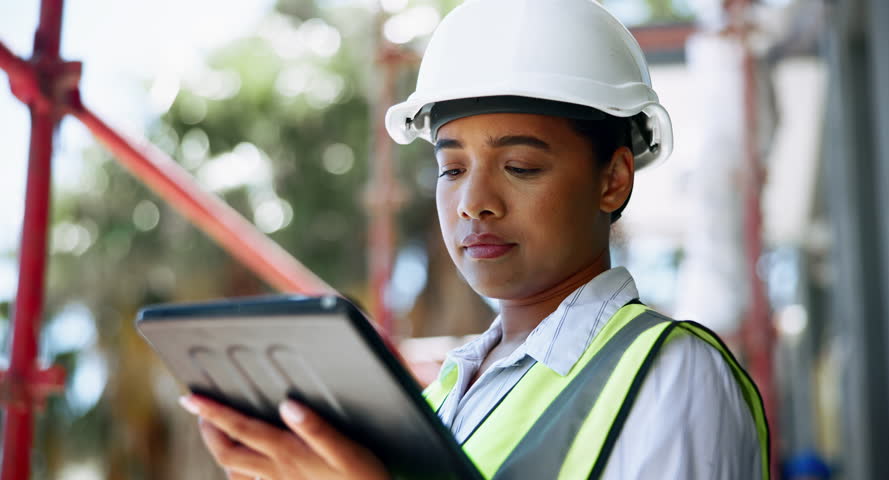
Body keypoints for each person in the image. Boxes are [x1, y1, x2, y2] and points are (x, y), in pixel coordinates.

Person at [178, 0, 770, 478]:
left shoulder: (673, 374)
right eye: (451, 169)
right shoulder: (440, 399)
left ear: (612, 180)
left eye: (520, 166)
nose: (473, 202)